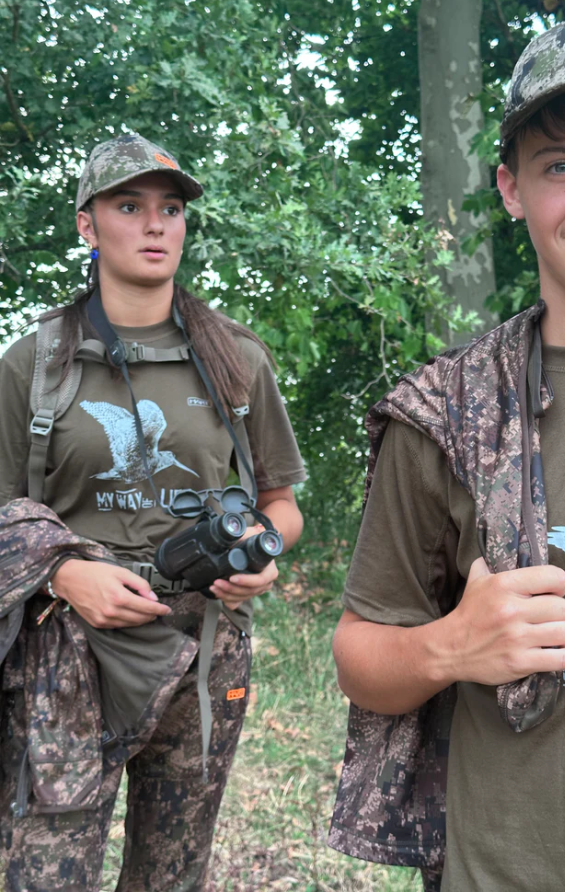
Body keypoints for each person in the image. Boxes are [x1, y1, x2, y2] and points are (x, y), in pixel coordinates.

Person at [329, 9, 565, 892]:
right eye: (561, 164)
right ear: (510, 188)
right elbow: (360, 656)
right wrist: (450, 649)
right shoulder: (445, 413)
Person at [0, 133, 305, 891]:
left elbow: (280, 502)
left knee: (173, 873)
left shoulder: (235, 357)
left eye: (170, 209)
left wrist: (261, 551)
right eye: (129, 206)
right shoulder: (35, 362)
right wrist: (65, 573)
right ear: (87, 224)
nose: (155, 224)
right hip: (67, 648)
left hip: (204, 641)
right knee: (46, 872)